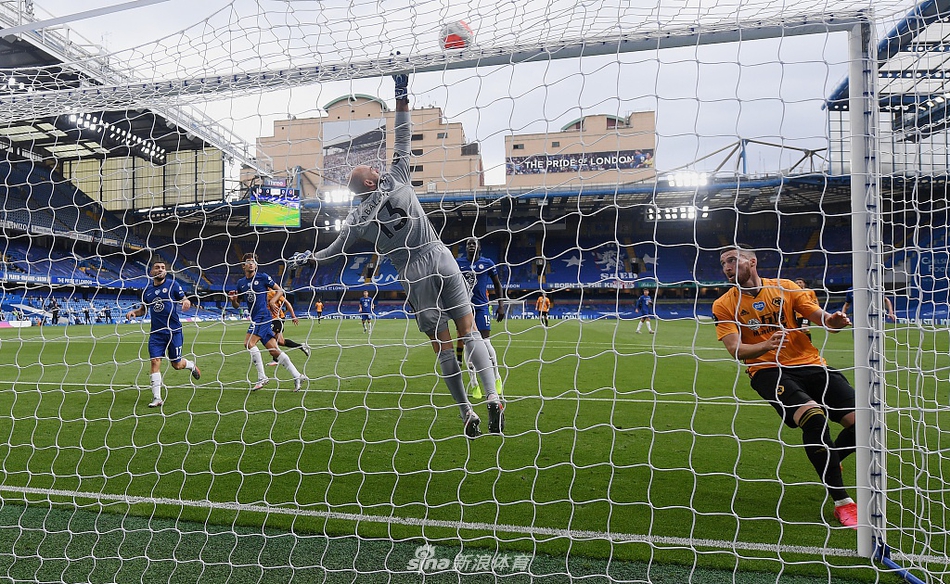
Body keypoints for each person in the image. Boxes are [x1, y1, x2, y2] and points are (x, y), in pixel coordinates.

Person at [291, 72, 502, 437]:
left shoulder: (357, 218)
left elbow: (335, 251)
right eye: (371, 169)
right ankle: (493, 395)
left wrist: (309, 257)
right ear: (372, 182)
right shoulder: (395, 179)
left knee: (443, 347)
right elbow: (402, 137)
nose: (376, 167)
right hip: (440, 257)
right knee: (470, 334)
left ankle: (467, 413)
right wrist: (401, 95)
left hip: (413, 273)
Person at [713, 246, 858, 528]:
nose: (726, 267)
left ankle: (831, 457)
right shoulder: (724, 304)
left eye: (732, 260)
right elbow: (735, 349)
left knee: (866, 423)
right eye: (722, 263)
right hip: (768, 370)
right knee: (813, 417)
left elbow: (822, 319)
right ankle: (843, 503)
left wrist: (834, 321)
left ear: (752, 262)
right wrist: (765, 345)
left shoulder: (787, 288)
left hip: (812, 364)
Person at [125, 258, 201, 408]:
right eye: (157, 267)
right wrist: (134, 312)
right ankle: (157, 397)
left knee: (177, 365)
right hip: (156, 333)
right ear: (151, 271)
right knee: (154, 362)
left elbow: (184, 299)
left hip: (174, 331)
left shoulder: (173, 284)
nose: (160, 269)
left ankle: (191, 365)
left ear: (165, 271)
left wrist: (186, 302)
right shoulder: (147, 291)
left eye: (162, 267)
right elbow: (143, 310)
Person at [227, 253, 306, 392]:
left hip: (263, 316)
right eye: (248, 261)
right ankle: (297, 375)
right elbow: (237, 305)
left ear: (256, 265)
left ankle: (262, 377)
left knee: (248, 343)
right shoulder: (241, 283)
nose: (251, 263)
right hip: (255, 317)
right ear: (243, 265)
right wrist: (233, 300)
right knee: (274, 351)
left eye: (253, 261)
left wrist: (273, 300)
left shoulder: (262, 277)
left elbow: (280, 290)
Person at [455, 236, 507, 398]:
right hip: (464, 309)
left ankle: (497, 376)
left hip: (482, 308)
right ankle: (474, 384)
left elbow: (497, 284)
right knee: (468, 344)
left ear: (479, 247)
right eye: (468, 243)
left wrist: (500, 305)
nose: (471, 245)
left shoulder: (488, 263)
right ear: (466, 247)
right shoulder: (458, 263)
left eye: (474, 243)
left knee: (485, 342)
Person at [266, 289, 310, 366]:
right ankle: (301, 346)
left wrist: (293, 315)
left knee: (270, 337)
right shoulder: (261, 293)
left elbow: (287, 303)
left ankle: (276, 359)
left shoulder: (273, 293)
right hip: (270, 319)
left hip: (277, 318)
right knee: (281, 341)